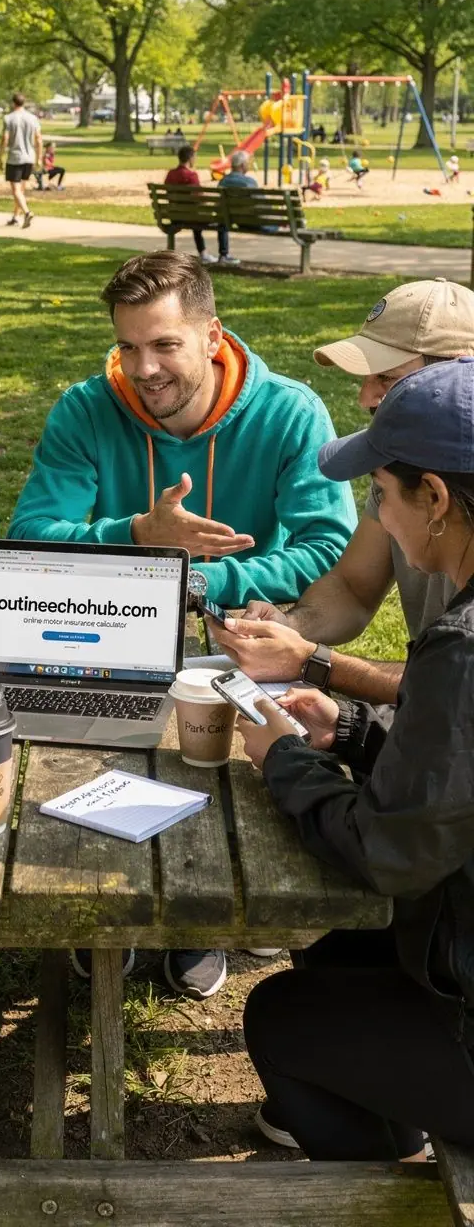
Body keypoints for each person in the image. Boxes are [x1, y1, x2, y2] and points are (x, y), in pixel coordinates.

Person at [9, 252, 356, 1000]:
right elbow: (33, 535)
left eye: (164, 344)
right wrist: (139, 536)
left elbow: (325, 543)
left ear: (210, 335)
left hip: (241, 635)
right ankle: (95, 913)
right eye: (128, 346)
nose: (144, 367)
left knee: (220, 767)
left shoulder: (290, 411)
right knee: (77, 748)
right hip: (105, 626)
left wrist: (194, 581)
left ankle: (204, 918)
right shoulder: (83, 408)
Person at [240, 358, 474, 1162]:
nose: (375, 513)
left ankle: (385, 1186)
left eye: (379, 493)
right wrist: (352, 730)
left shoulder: (461, 649)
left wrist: (282, 760)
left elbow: (387, 852)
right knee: (339, 945)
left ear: (434, 500)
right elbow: (453, 773)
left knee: (279, 1015)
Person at [211, 278, 474, 705]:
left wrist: (311, 662)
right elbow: (353, 585)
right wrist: (291, 626)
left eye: (387, 377)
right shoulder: (403, 468)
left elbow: (458, 688)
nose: (365, 396)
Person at [164, 145, 236, 266]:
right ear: (190, 158)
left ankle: (203, 253)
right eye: (194, 157)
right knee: (222, 221)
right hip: (191, 216)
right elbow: (199, 198)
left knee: (194, 217)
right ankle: (223, 255)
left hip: (175, 216)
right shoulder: (191, 176)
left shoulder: (170, 174)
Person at [0, 92, 43, 229]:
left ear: (13, 103)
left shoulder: (8, 118)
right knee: (21, 191)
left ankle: (27, 212)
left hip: (15, 157)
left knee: (16, 190)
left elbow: (5, 139)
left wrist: (0, 156)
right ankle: (15, 217)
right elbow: (39, 139)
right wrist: (39, 158)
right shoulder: (33, 118)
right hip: (29, 157)